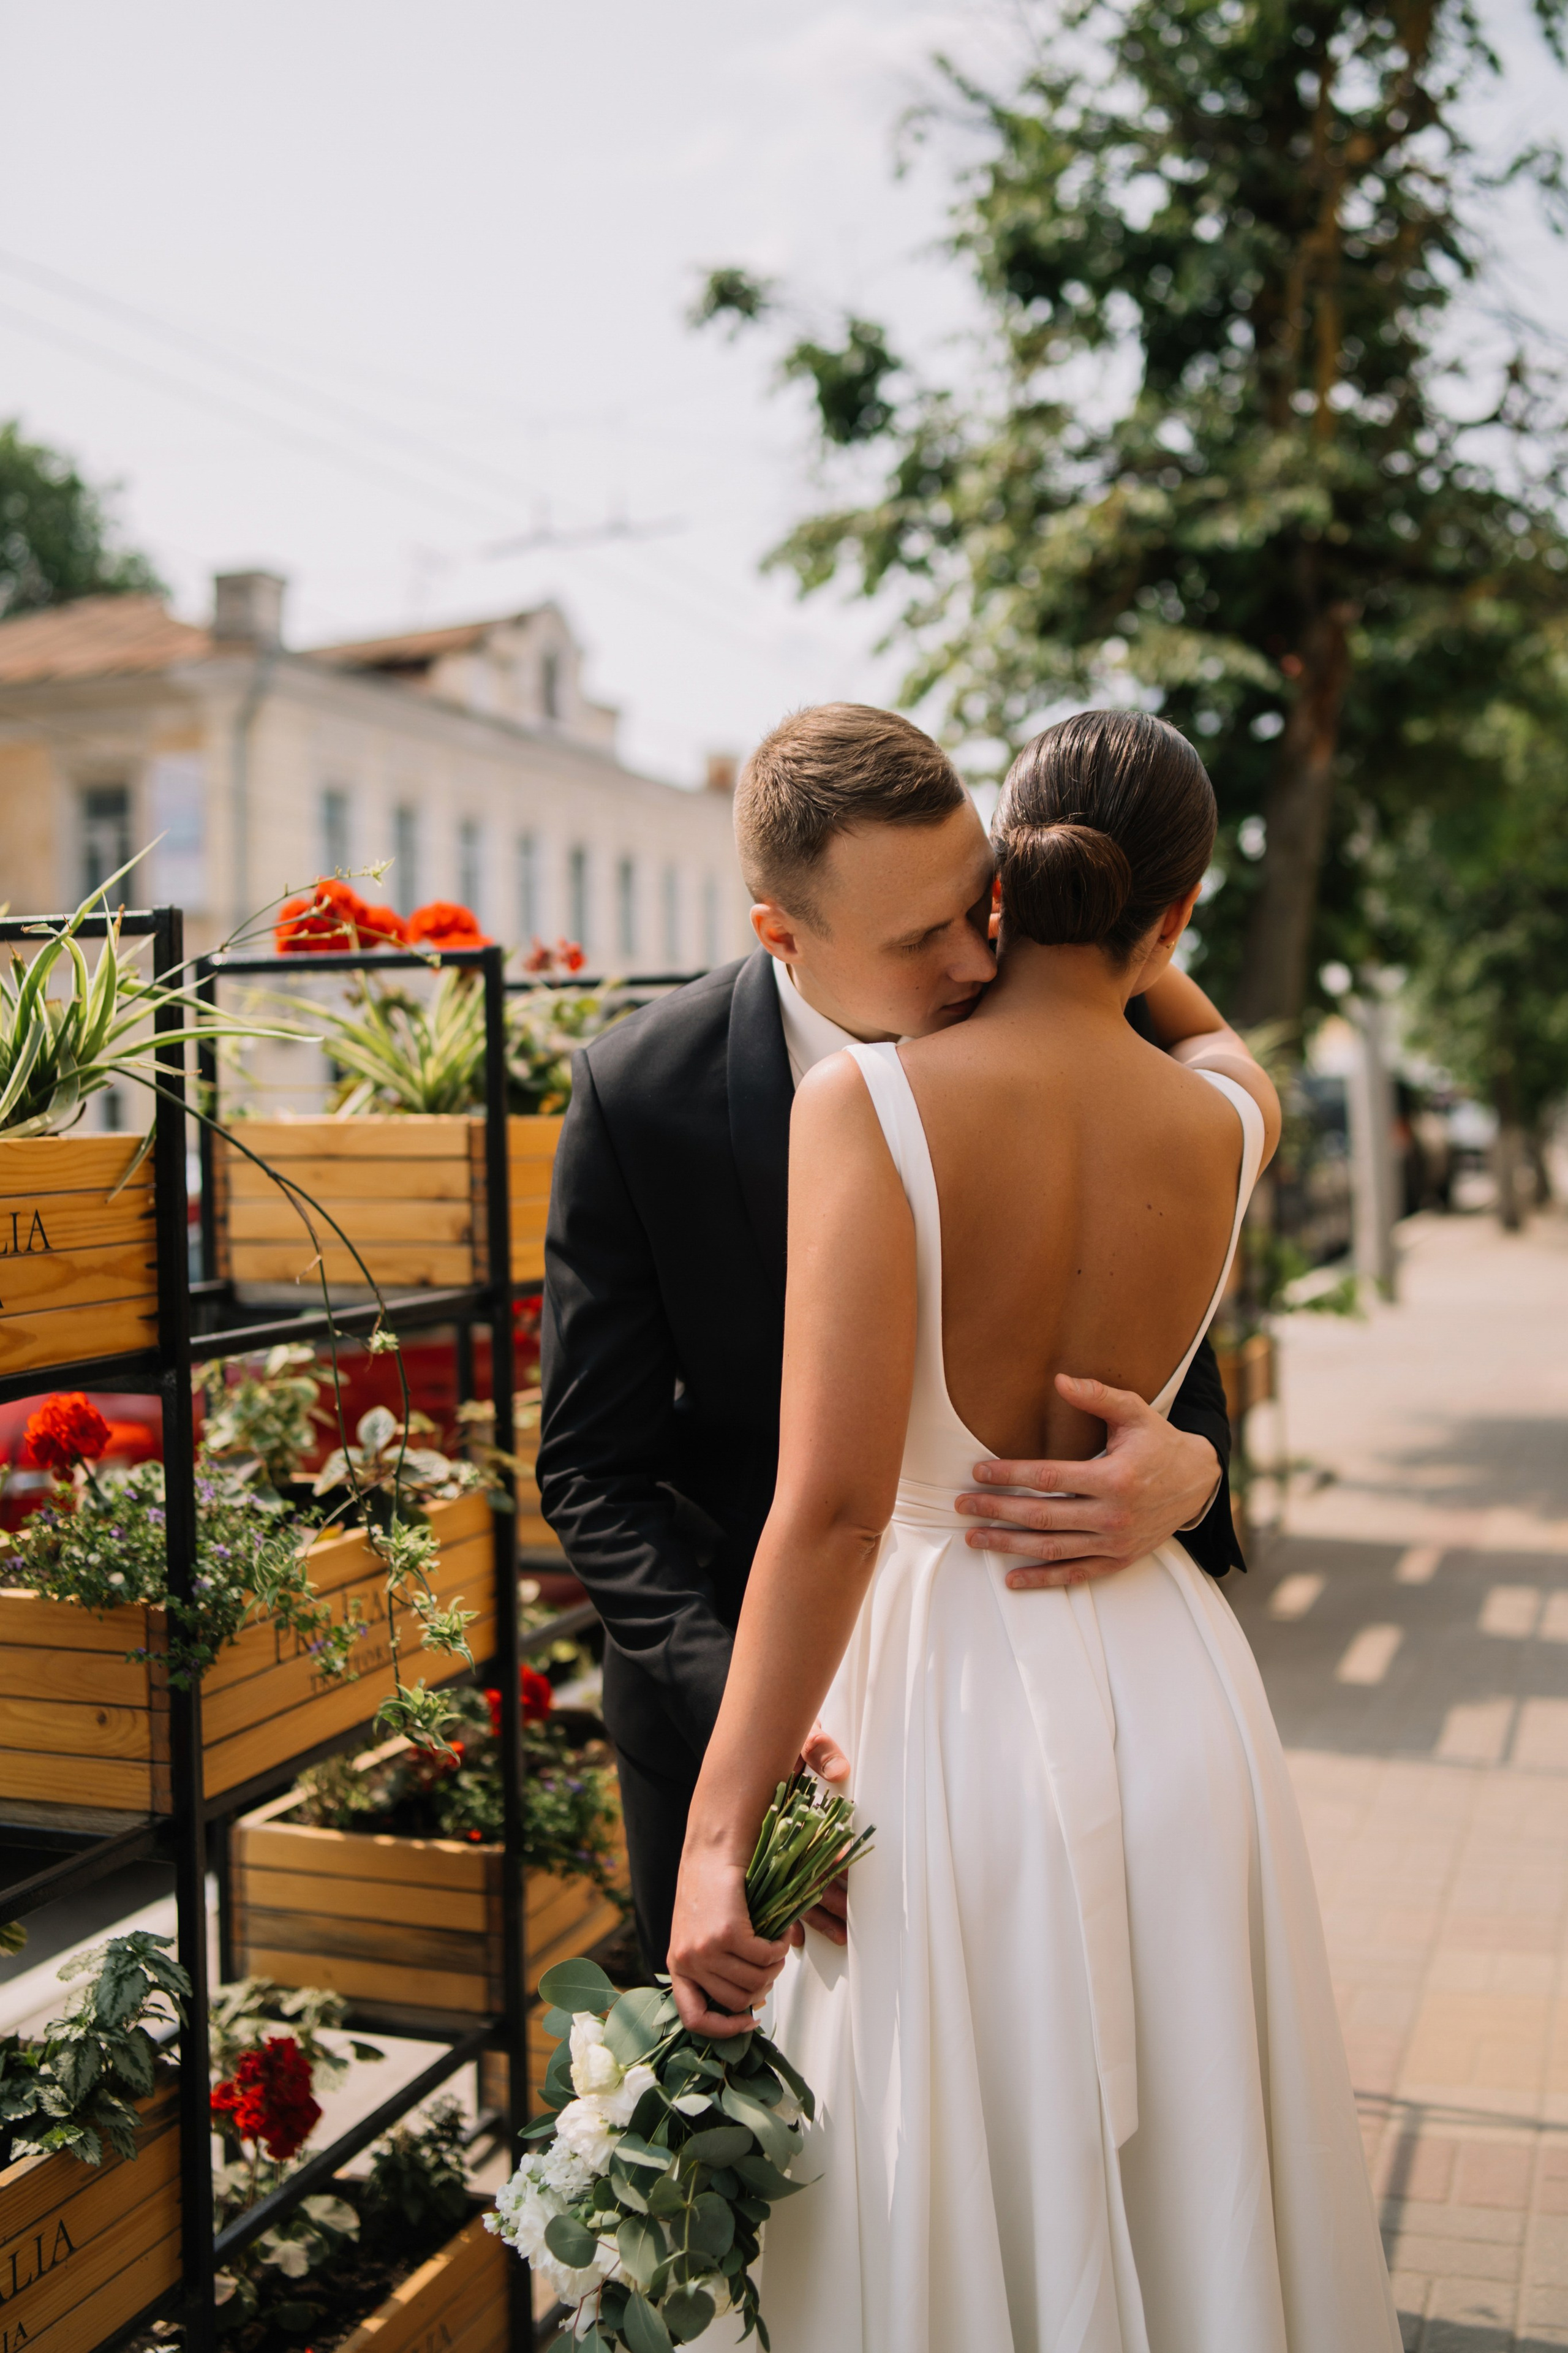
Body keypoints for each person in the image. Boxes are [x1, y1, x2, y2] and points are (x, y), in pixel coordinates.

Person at [668, 711, 1400, 2351]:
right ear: (1179, 914)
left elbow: (838, 1508)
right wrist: (1137, 949)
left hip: (945, 1690)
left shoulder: (870, 1107)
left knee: (952, 2147)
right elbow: (1221, 1045)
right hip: (1175, 1687)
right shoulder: (1223, 1120)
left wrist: (721, 1839)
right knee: (1197, 2159)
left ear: (1003, 876)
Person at [538, 706, 1253, 1976]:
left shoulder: (1085, 1016)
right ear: (780, 934)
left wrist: (1191, 1467)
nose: (979, 963)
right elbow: (594, 1471)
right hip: (736, 1727)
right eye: (921, 938)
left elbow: (1167, 1356)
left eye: (986, 903)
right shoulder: (639, 1093)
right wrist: (762, 1731)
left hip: (1022, 1727)